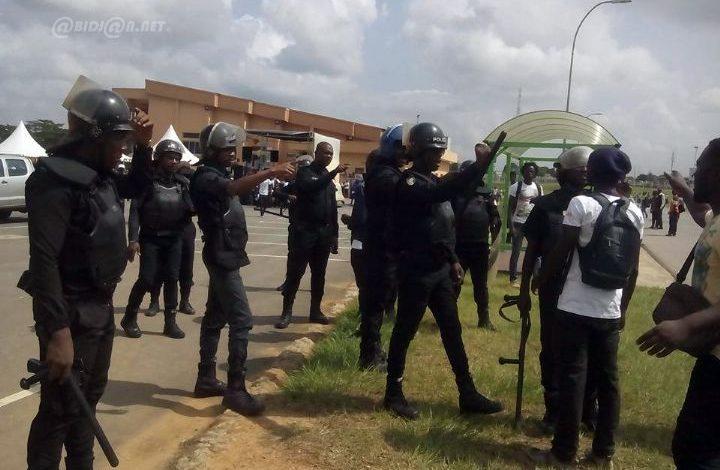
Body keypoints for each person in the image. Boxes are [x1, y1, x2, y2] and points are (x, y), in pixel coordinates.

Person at [21, 79, 153, 469]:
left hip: (99, 307)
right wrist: (58, 334)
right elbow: (43, 261)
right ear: (93, 138)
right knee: (58, 413)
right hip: (70, 313)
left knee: (88, 402)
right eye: (118, 141)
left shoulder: (99, 174)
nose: (123, 149)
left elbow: (139, 186)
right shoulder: (53, 181)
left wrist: (144, 145)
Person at [530, 148, 643, 468]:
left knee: (572, 378)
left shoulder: (582, 204)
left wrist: (540, 280)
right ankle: (602, 454)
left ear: (591, 173)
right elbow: (632, 269)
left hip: (575, 307)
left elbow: (561, 251)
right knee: (608, 382)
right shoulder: (635, 211)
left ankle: (563, 453)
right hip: (610, 309)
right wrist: (623, 309)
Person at [383, 122, 503, 420]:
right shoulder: (411, 184)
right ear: (418, 151)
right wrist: (477, 167)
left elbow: (440, 228)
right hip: (416, 271)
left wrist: (452, 260)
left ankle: (468, 393)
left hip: (438, 270)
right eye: (433, 151)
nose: (438, 156)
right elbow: (444, 193)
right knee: (405, 332)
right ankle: (393, 394)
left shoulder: (432, 183)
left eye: (440, 150)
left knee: (452, 331)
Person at [190, 122, 294, 415]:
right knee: (242, 319)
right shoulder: (206, 177)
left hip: (227, 253)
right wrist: (272, 171)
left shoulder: (216, 173)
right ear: (211, 150)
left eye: (233, 149)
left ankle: (206, 378)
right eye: (227, 150)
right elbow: (232, 188)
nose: (233, 155)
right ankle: (236, 389)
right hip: (221, 256)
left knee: (214, 317)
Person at [637, 142, 720, 469]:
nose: (694, 172)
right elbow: (703, 216)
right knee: (691, 446)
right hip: (712, 352)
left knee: (698, 452)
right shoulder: (717, 216)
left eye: (700, 168)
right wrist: (686, 191)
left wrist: (687, 325)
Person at [518, 146, 598, 435]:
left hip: (586, 290)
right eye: (580, 168)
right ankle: (553, 410)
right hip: (552, 290)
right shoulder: (545, 205)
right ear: (562, 171)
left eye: (587, 169)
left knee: (585, 351)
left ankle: (588, 411)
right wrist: (525, 289)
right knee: (551, 350)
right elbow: (532, 252)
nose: (584, 173)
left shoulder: (596, 204)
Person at [120, 140, 194, 340]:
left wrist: (193, 180)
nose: (174, 161)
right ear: (158, 159)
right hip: (151, 238)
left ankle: (170, 323)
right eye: (169, 157)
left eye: (177, 158)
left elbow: (192, 209)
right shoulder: (147, 183)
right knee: (147, 278)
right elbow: (135, 211)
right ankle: (129, 317)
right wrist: (133, 240)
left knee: (172, 278)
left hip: (174, 239)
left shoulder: (182, 184)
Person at [274, 143, 348, 329]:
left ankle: (315, 310)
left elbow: (332, 210)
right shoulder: (305, 172)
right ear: (316, 153)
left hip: (323, 234)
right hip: (304, 232)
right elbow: (310, 187)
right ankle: (286, 312)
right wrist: (332, 173)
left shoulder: (329, 181)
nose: (329, 156)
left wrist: (335, 236)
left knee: (319, 274)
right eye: (325, 152)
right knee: (295, 273)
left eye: (331, 154)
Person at [359, 124, 407, 371]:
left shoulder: (387, 172)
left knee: (378, 301)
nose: (405, 152)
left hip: (383, 247)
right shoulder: (386, 176)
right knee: (375, 304)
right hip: (380, 248)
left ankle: (372, 352)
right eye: (401, 147)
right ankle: (369, 356)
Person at [451, 154, 500, 330]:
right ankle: (449, 318)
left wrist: (493, 241)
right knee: (454, 283)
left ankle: (484, 319)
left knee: (481, 285)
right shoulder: (456, 195)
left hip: (480, 247)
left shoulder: (487, 195)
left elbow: (496, 219)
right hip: (459, 246)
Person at [146, 161, 198, 317]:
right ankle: (154, 302)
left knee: (186, 268)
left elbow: (193, 208)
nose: (183, 176)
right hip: (166, 230)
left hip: (186, 230)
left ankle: (184, 301)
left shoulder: (186, 186)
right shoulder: (159, 184)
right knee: (160, 268)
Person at [508, 162, 543, 287]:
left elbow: (540, 207)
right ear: (523, 172)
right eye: (528, 171)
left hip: (532, 224)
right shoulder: (516, 187)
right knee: (516, 252)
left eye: (532, 171)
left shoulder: (538, 188)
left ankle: (537, 277)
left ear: (535, 174)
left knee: (536, 251)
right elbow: (510, 208)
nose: (530, 173)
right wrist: (511, 226)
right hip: (518, 223)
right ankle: (513, 278)